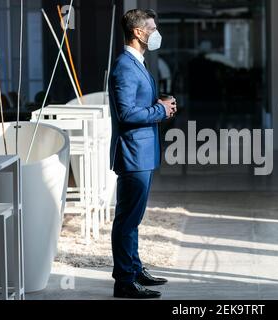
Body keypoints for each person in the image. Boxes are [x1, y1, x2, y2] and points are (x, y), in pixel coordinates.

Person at [109, 9, 177, 299]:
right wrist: (160, 110)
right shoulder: (125, 66)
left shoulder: (137, 62)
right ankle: (124, 281)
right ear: (138, 32)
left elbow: (138, 104)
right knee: (126, 219)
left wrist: (160, 104)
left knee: (133, 218)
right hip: (133, 153)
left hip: (143, 151)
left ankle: (134, 270)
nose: (156, 32)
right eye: (152, 27)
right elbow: (126, 114)